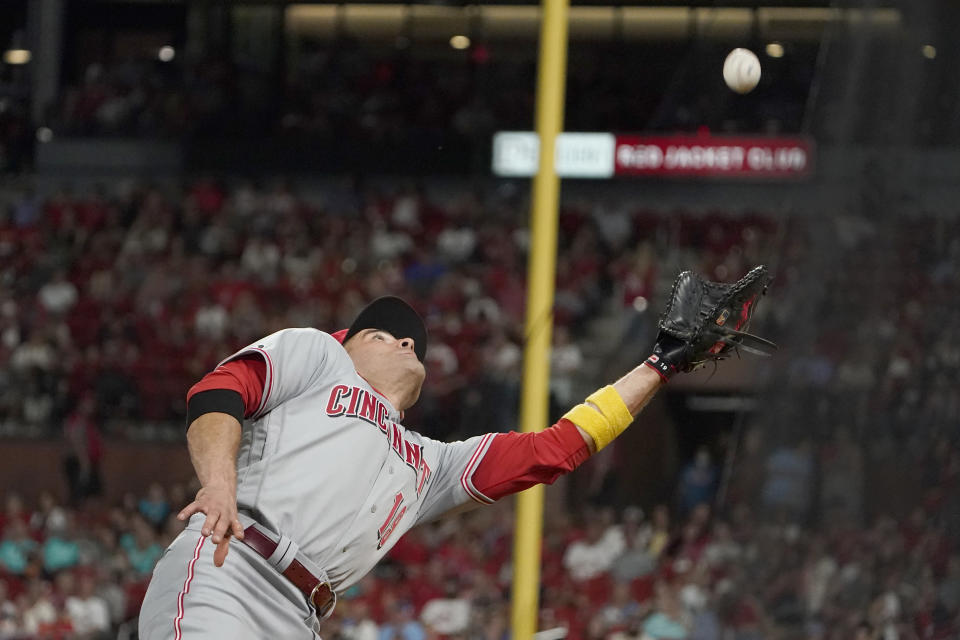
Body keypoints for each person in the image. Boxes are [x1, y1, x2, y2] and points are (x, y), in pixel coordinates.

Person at [138, 272, 769, 639]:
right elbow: (219, 390)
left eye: (414, 339)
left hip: (301, 616)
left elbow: (553, 450)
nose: (408, 341)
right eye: (384, 333)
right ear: (350, 341)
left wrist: (659, 365)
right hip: (231, 567)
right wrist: (217, 484)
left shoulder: (427, 461)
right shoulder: (318, 357)